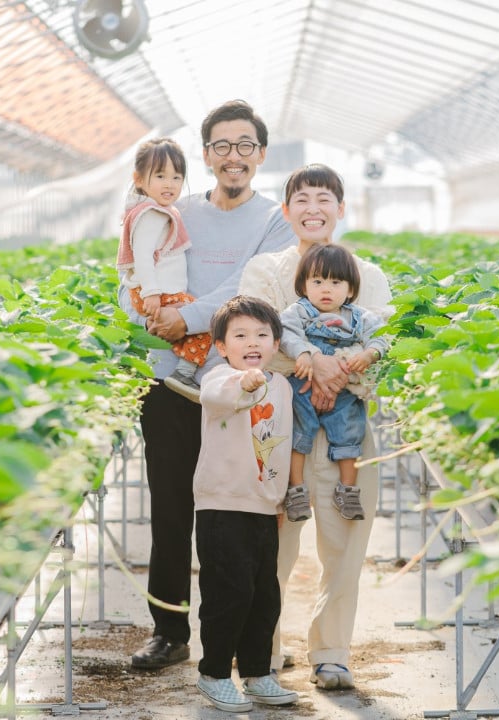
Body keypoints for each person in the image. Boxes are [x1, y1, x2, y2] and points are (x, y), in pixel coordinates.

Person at [121, 100, 296, 671]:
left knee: (235, 517)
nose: (233, 156)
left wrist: (190, 317)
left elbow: (253, 286)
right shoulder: (176, 208)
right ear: (205, 155)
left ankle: (243, 638)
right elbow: (138, 267)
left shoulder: (275, 219)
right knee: (170, 510)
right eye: (221, 146)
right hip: (170, 382)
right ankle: (168, 631)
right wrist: (145, 313)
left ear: (261, 154)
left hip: (239, 387)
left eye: (245, 145)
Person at [237, 163, 393, 691]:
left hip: (347, 421)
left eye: (324, 199)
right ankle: (266, 646)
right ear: (286, 211)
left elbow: (382, 351)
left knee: (344, 539)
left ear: (340, 209)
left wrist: (328, 370)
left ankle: (331, 652)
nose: (313, 209)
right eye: (301, 199)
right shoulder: (264, 271)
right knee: (273, 536)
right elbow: (254, 343)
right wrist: (319, 366)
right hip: (278, 423)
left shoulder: (368, 274)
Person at [193, 295, 298, 712]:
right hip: (223, 506)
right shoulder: (218, 379)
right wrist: (249, 380)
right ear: (222, 346)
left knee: (263, 595)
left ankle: (257, 674)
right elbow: (229, 391)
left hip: (263, 506)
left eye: (261, 334)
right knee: (227, 593)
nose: (252, 341)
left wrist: (283, 497)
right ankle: (213, 673)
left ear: (276, 342)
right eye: (240, 335)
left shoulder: (284, 386)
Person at [279, 243, 389, 523]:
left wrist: (369, 353)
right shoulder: (299, 311)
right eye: (317, 281)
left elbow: (382, 337)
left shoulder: (360, 317)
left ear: (350, 290)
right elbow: (285, 333)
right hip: (304, 386)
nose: (325, 289)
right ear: (304, 286)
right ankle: (296, 489)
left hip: (343, 391)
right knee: (298, 431)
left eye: (335, 282)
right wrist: (305, 353)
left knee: (350, 431)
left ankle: (348, 489)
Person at [116, 137, 211, 400]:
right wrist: (152, 293)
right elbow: (143, 257)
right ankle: (184, 373)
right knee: (203, 322)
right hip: (158, 293)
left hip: (156, 291)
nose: (169, 184)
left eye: (177, 177)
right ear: (139, 179)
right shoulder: (152, 214)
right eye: (160, 175)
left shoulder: (153, 210)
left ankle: (180, 371)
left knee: (192, 320)